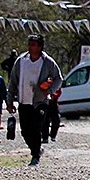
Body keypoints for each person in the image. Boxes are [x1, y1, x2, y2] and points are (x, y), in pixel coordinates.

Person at [8, 36, 62, 167]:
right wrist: (9, 101)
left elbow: (58, 79)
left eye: (34, 44)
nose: (31, 47)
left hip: (40, 102)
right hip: (23, 101)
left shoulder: (47, 62)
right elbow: (13, 82)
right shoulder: (21, 61)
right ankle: (37, 149)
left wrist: (48, 91)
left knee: (35, 128)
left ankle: (35, 156)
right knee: (25, 131)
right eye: (30, 44)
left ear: (40, 46)